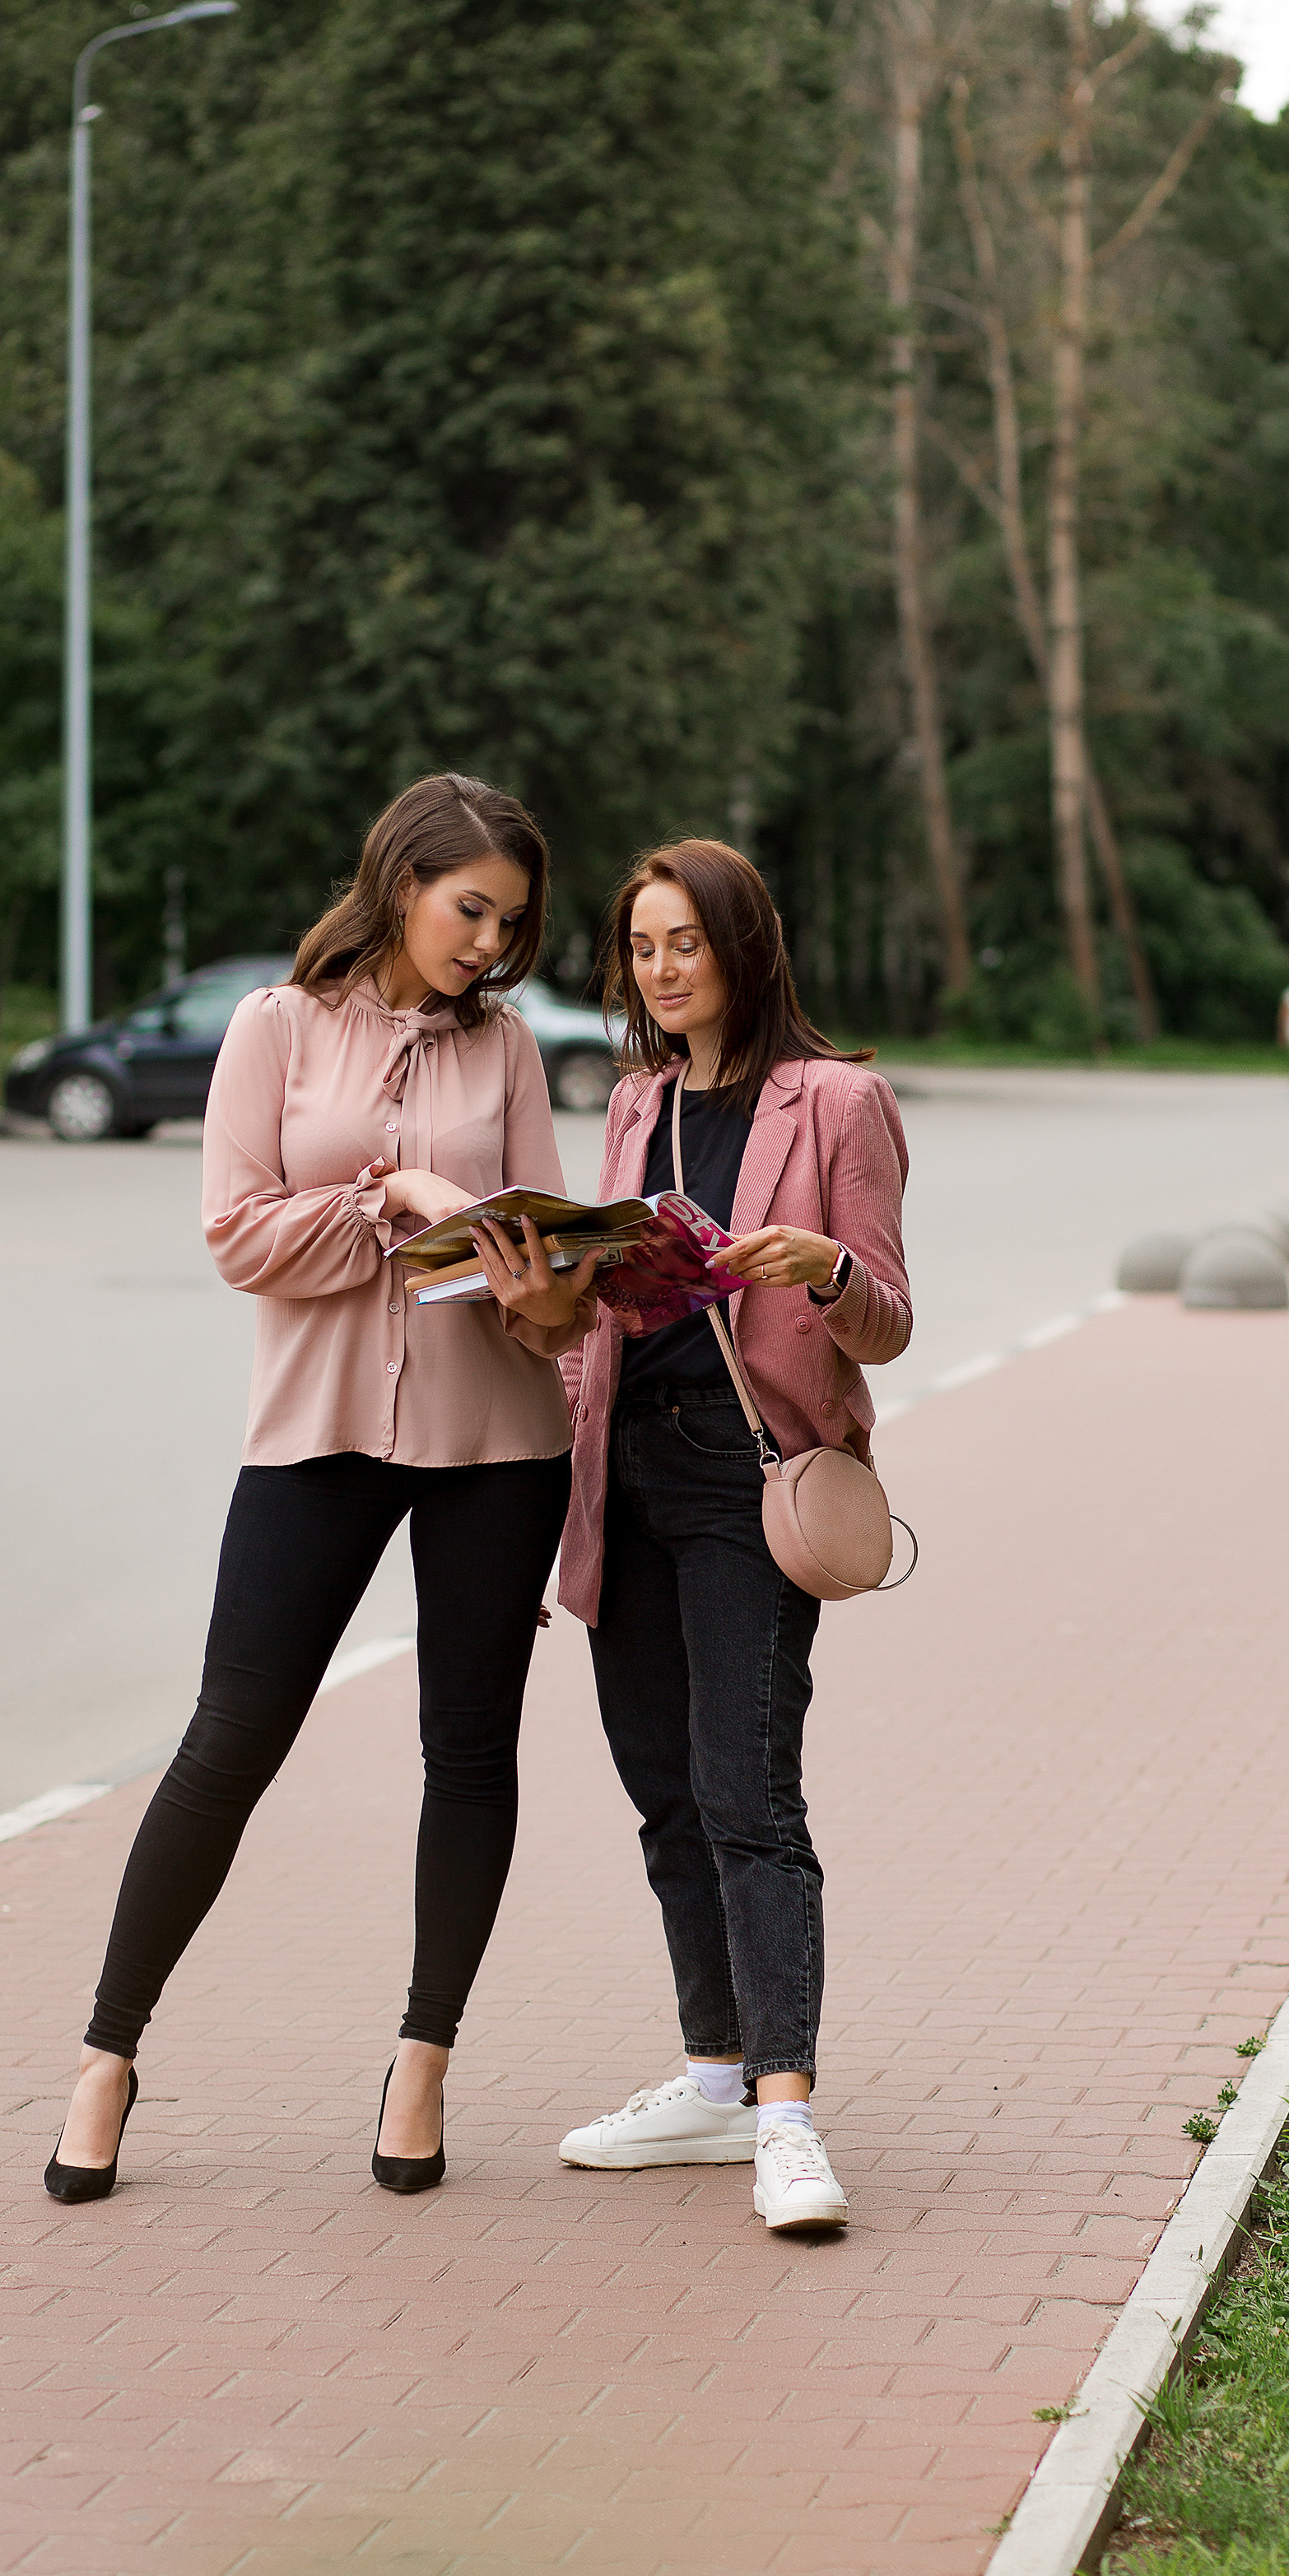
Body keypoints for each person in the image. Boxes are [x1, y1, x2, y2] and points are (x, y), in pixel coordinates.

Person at [42, 773, 598, 2206]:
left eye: (511, 922)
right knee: (230, 1738)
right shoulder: (275, 1028)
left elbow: (537, 1270)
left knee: (469, 1753)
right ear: (402, 879)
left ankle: (423, 2059)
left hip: (499, 1440)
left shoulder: (511, 1053)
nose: (488, 942)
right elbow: (236, 1235)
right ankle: (107, 2053)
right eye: (470, 907)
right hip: (315, 1436)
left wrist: (547, 1286)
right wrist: (392, 1200)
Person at [554, 839, 911, 2236]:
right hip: (622, 1469)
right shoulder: (635, 1101)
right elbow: (601, 1310)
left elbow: (885, 1312)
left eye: (684, 941)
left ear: (745, 945)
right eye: (642, 947)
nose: (661, 968)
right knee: (663, 1792)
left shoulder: (836, 1101)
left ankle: (785, 2113)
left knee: (748, 1795)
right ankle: (712, 2077)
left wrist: (821, 1267)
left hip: (744, 1476)